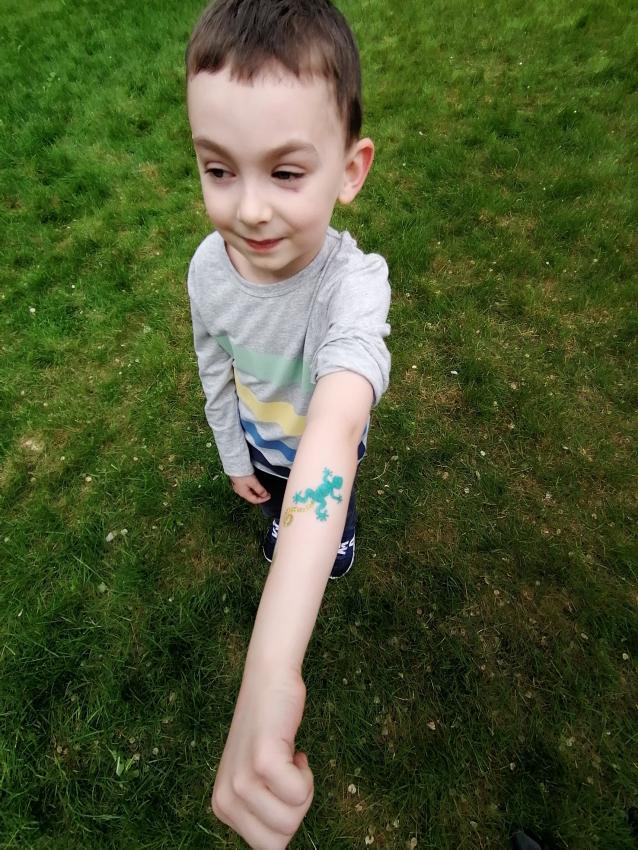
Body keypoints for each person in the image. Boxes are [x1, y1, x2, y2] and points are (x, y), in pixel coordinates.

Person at [184, 1, 391, 846]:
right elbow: (213, 368)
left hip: (321, 466)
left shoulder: (355, 286)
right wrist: (233, 453)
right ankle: (285, 526)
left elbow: (335, 430)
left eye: (286, 172)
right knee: (277, 502)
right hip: (265, 454)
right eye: (218, 168)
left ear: (350, 168)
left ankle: (329, 541)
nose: (251, 210)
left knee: (319, 514)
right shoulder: (207, 271)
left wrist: (269, 667)